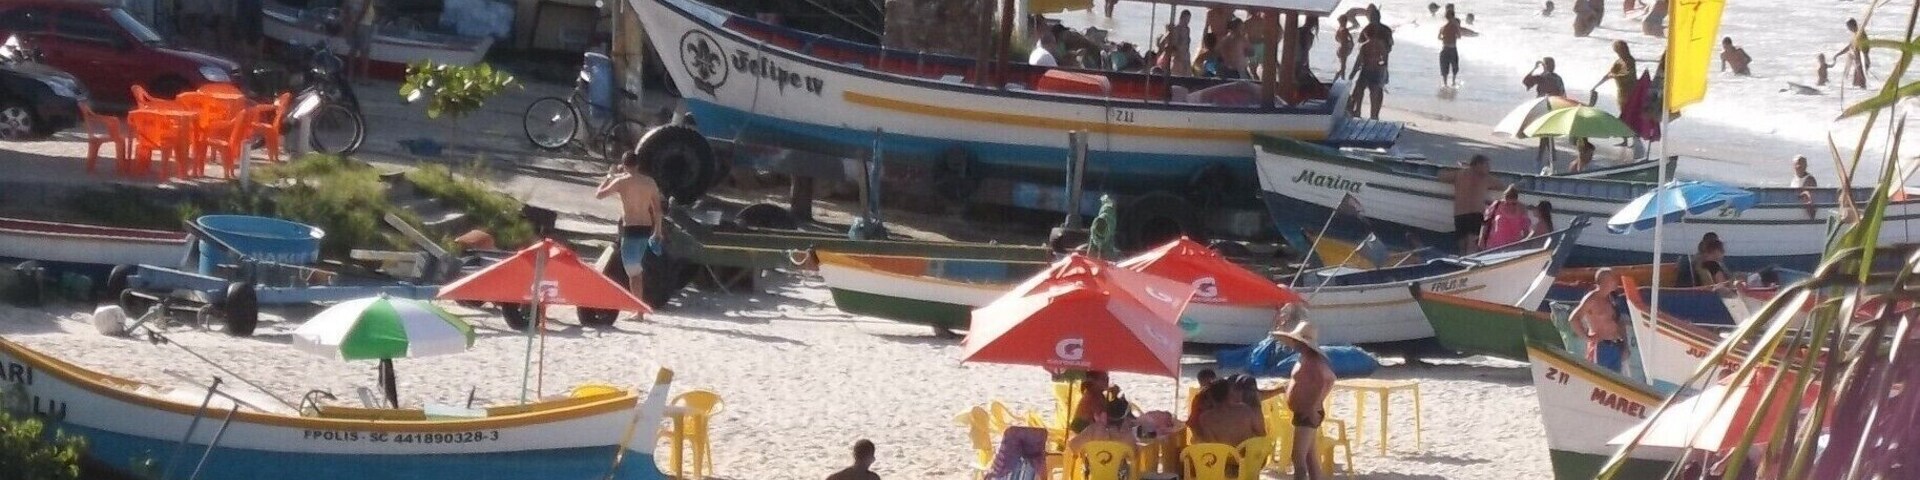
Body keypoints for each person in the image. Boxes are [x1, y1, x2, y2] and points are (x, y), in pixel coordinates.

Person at [596, 151, 667, 312]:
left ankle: (638, 309)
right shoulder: (649, 182)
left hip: (630, 227)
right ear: (638, 165)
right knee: (636, 268)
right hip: (646, 227)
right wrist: (658, 231)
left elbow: (599, 195)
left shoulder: (621, 182)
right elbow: (657, 209)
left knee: (633, 271)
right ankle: (638, 308)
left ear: (624, 165)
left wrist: (609, 176)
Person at [1270, 306, 1333, 480]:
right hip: (1304, 410)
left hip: (1307, 412)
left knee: (1298, 457)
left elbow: (1327, 379)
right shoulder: (1305, 357)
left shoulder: (1313, 360)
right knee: (1310, 457)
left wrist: (1314, 405)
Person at [1437, 155, 1507, 253]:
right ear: (1478, 164)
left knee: (1463, 246)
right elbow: (1503, 186)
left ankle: (1462, 262)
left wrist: (1459, 168)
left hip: (1460, 214)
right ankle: (1470, 263)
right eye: (1486, 165)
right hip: (1475, 214)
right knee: (1471, 244)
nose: (1489, 168)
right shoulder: (1486, 179)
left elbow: (1440, 175)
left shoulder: (1459, 174)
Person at [1571, 268, 1629, 372]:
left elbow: (1619, 322)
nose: (1616, 281)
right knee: (1597, 378)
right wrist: (1587, 337)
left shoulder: (1612, 298)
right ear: (1605, 281)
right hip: (1600, 347)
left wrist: (1625, 345)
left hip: (1615, 346)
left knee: (1614, 382)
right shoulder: (1592, 299)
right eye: (1613, 279)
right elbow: (1574, 319)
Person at [1068, 395, 1139, 478]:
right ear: (1126, 419)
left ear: (1105, 415)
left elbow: (1073, 446)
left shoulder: (1093, 430)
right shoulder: (1127, 435)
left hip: (1094, 477)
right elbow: (1135, 456)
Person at [1351, 7, 1393, 119]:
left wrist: (1353, 72)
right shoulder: (1386, 30)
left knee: (1360, 89)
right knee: (1376, 91)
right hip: (1379, 67)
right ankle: (1374, 115)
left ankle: (1357, 111)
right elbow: (1389, 49)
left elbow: (1360, 50)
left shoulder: (1367, 29)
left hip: (1367, 66)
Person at [1481, 186, 1533, 250]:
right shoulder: (1496, 206)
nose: (1510, 206)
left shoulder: (1522, 209)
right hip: (1494, 246)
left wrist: (1526, 247)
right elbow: (1485, 223)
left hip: (1514, 247)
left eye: (1513, 204)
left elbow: (1526, 230)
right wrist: (1481, 241)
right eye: (1507, 203)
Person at [345, 0, 379, 84]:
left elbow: (346, 6)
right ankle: (363, 78)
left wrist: (350, 22)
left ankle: (350, 76)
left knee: (353, 50)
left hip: (353, 22)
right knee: (364, 52)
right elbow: (365, 7)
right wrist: (355, 22)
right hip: (365, 23)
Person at [1156, 11, 1194, 77]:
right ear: (1181, 18)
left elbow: (1186, 45)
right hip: (1177, 59)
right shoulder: (1175, 29)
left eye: (1188, 20)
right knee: (1177, 77)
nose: (1187, 22)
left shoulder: (1187, 29)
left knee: (1188, 78)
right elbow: (1162, 43)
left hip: (1186, 58)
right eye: (1186, 19)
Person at [1838, 19, 1870, 88]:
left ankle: (1864, 95)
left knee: (1861, 82)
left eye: (1848, 26)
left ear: (1852, 25)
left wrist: (1865, 60)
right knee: (1856, 83)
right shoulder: (1855, 35)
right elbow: (1849, 47)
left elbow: (1866, 48)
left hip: (1861, 61)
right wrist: (1838, 54)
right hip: (1857, 62)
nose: (1848, 29)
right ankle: (1859, 95)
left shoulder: (1861, 34)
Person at [1438, 10, 1465, 87]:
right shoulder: (1454, 27)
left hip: (1445, 48)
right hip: (1452, 48)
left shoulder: (1443, 27)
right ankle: (1453, 82)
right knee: (1454, 66)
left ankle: (1446, 83)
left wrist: (1444, 39)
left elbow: (1439, 37)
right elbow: (1459, 36)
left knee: (1445, 67)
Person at [1333, 14, 1356, 79]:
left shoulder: (1339, 30)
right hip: (1344, 49)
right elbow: (1350, 40)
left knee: (1342, 66)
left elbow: (1336, 39)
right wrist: (1350, 44)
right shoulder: (1345, 30)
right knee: (1343, 66)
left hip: (1340, 49)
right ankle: (1341, 78)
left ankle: (1338, 78)